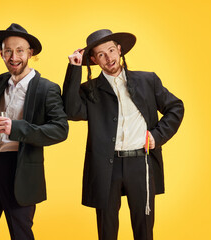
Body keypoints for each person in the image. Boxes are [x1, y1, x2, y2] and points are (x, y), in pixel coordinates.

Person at [62, 29, 184, 240]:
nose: (109, 58)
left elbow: (176, 107)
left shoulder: (147, 80)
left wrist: (157, 136)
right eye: (101, 54)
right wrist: (74, 68)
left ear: (119, 49)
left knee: (144, 229)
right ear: (93, 60)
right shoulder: (89, 89)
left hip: (141, 162)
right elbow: (71, 111)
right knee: (107, 230)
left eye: (111, 50)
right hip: (105, 166)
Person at [0, 23, 68, 240]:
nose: (13, 56)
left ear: (30, 53)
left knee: (20, 235)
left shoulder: (47, 89)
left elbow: (60, 129)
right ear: (0, 54)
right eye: (7, 51)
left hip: (23, 170)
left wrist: (15, 128)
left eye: (20, 50)